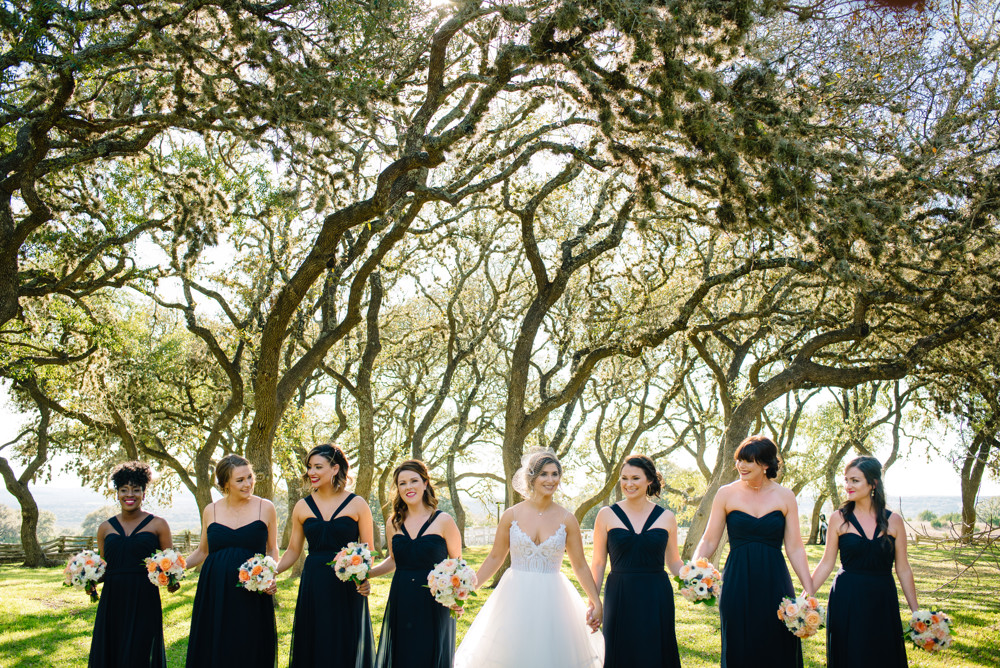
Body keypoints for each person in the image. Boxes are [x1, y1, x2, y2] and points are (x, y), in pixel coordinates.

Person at [454, 449, 604, 668]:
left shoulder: (567, 519)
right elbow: (495, 557)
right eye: (544, 474)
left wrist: (595, 601)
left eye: (555, 474)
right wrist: (467, 588)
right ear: (531, 478)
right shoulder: (511, 515)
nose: (551, 480)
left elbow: (580, 564)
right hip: (514, 596)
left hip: (554, 599)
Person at [693, 435, 813, 668]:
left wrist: (808, 592)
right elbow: (709, 539)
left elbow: (796, 547)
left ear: (766, 465)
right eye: (739, 460)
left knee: (780, 644)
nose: (741, 466)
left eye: (749, 461)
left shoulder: (786, 496)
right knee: (740, 644)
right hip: (737, 580)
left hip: (775, 581)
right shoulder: (725, 494)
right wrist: (696, 570)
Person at [276, 444, 376, 668]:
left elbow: (368, 551)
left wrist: (365, 577)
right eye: (309, 467)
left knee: (345, 642)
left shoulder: (358, 504)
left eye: (318, 466)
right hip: (314, 583)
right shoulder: (302, 506)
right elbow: (293, 550)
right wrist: (272, 572)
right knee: (315, 640)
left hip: (347, 584)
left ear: (334, 469)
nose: (311, 472)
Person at [810, 456, 916, 668]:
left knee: (883, 656)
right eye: (846, 480)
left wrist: (916, 613)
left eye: (855, 480)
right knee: (850, 656)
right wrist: (806, 597)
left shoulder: (893, 520)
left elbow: (903, 569)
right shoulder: (838, 518)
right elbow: (826, 563)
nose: (848, 486)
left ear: (873, 483)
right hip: (846, 598)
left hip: (882, 599)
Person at [184, 454, 279, 668]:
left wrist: (270, 577)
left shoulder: (266, 507)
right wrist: (175, 568)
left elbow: (272, 548)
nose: (248, 484)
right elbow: (202, 551)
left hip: (252, 589)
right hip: (215, 590)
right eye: (240, 480)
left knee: (248, 644)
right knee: (215, 643)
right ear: (225, 483)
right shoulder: (211, 510)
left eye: (249, 477)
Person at [591, 454, 682, 668]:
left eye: (635, 478)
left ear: (649, 480)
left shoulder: (667, 517)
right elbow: (598, 563)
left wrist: (696, 578)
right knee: (619, 651)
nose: (628, 484)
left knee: (655, 653)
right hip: (620, 593)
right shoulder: (606, 515)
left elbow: (674, 562)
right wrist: (594, 603)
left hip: (657, 596)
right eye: (624, 478)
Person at [370, 460, 463, 668]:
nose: (408, 487)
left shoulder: (443, 520)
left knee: (430, 655)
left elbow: (457, 563)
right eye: (402, 483)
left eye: (414, 481)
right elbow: (393, 560)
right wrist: (366, 574)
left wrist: (457, 597)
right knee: (404, 655)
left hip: (435, 601)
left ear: (425, 483)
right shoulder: (393, 522)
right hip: (402, 597)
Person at [89, 461, 175, 668]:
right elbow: (103, 568)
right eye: (124, 490)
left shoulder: (158, 524)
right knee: (112, 650)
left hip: (144, 598)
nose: (130, 495)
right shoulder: (105, 528)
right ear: (117, 493)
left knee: (140, 652)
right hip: (113, 600)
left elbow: (170, 565)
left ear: (144, 494)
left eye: (136, 490)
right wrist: (89, 580)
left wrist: (172, 580)